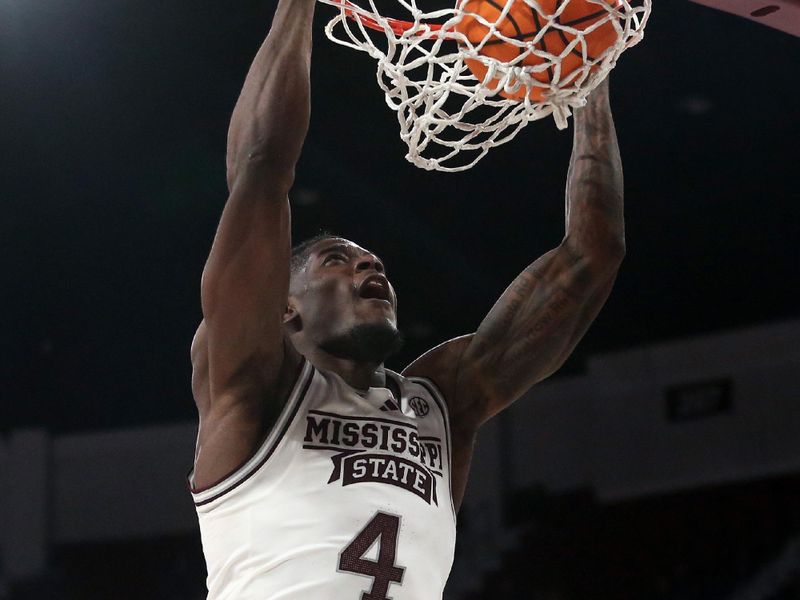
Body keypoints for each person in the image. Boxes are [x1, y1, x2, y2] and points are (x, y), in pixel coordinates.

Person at [188, 0, 624, 597]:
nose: (369, 264)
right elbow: (261, 170)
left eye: (374, 262)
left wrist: (588, 78)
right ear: (283, 306)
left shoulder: (440, 403)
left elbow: (591, 257)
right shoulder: (251, 384)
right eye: (336, 260)